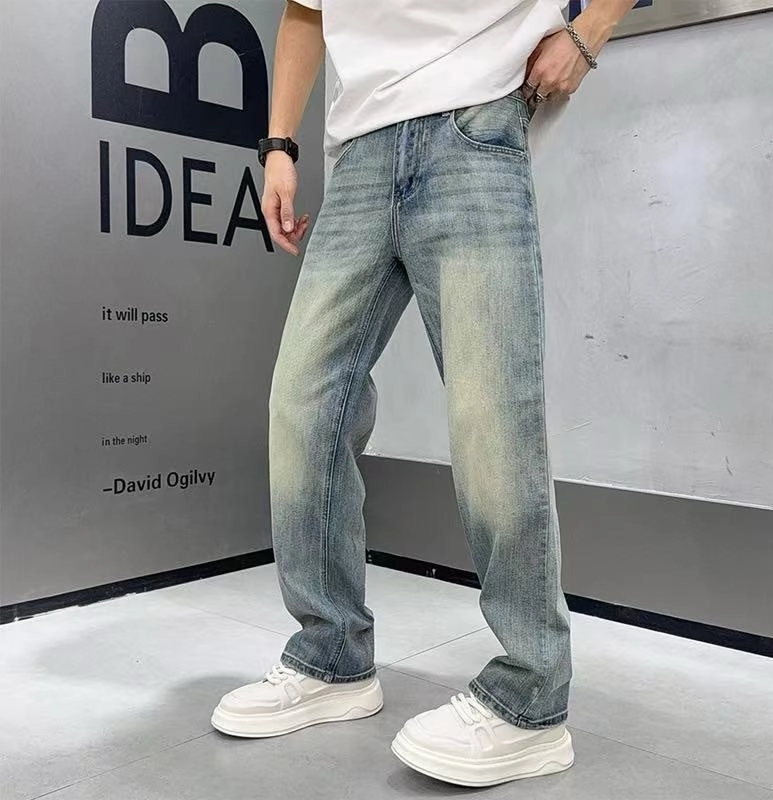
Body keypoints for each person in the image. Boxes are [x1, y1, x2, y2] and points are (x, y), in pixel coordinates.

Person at [212, 0, 637, 787]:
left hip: (474, 122)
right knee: (303, 406)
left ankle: (530, 700)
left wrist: (590, 31)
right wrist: (277, 146)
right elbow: (305, 10)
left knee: (491, 419)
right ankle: (331, 658)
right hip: (359, 155)